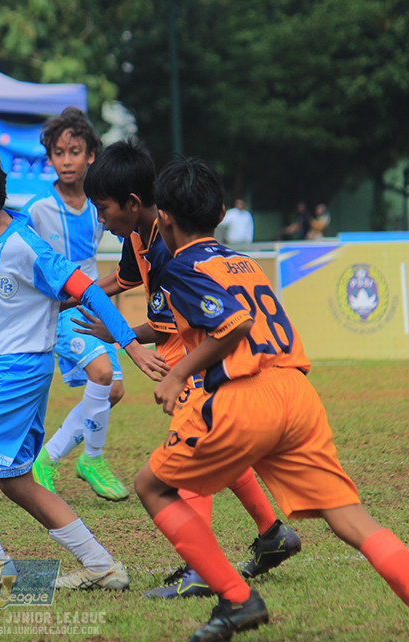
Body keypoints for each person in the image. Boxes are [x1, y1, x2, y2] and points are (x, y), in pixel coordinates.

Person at [132, 155, 409, 642]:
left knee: (151, 486)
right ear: (222, 213)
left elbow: (233, 325)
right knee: (352, 519)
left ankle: (237, 597)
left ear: (162, 218)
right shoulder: (243, 262)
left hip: (245, 396)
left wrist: (178, 373)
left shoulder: (181, 266)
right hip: (296, 392)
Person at [0, 139, 168, 592]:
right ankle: (100, 565)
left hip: (14, 370)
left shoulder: (25, 245)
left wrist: (130, 345)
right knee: (16, 480)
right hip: (13, 367)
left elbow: (88, 290)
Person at [76, 139, 301, 599]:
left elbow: (164, 328)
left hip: (191, 358)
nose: (100, 220)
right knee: (214, 446)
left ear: (132, 203)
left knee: (194, 451)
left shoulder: (167, 250)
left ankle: (201, 568)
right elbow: (124, 278)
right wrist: (76, 292)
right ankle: (272, 533)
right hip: (188, 354)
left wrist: (119, 333)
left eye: (102, 209)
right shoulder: (137, 234)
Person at [23, 106, 128, 501]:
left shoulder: (101, 206)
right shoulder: (37, 209)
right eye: (59, 153)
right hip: (62, 311)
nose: (66, 160)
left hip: (94, 306)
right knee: (102, 374)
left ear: (91, 156)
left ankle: (61, 459)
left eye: (74, 151)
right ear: (50, 158)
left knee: (114, 390)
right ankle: (79, 459)